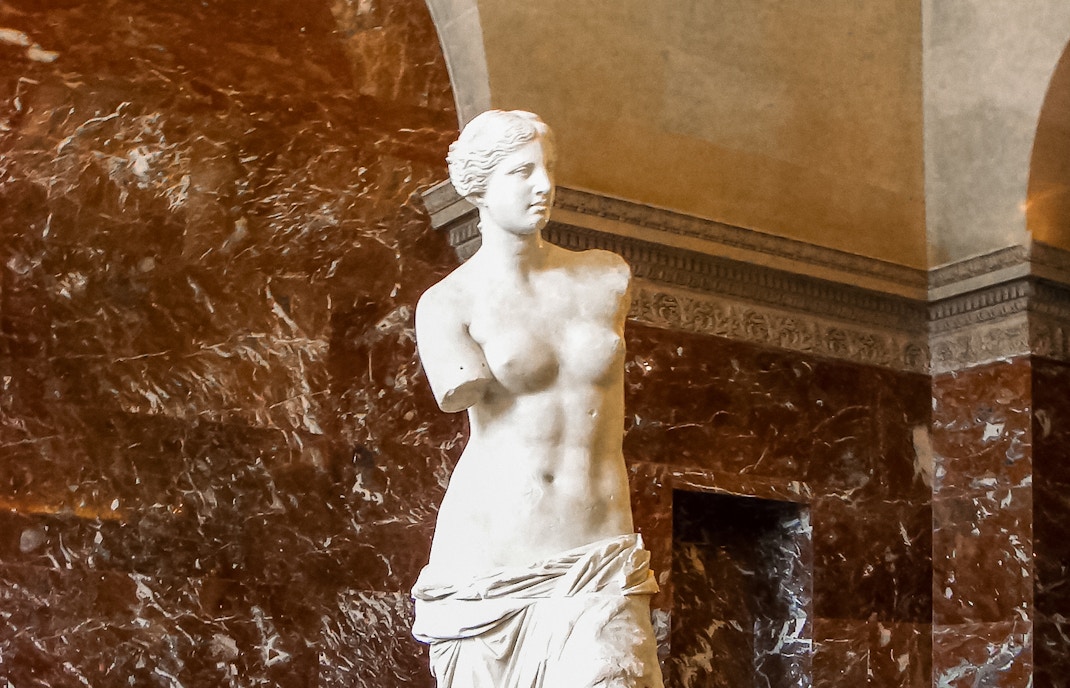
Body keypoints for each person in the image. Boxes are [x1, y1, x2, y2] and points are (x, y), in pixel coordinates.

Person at [411, 110, 663, 688]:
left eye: (547, 168)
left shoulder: (606, 278)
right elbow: (458, 390)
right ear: (478, 186)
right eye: (520, 171)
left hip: (599, 551)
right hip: (494, 553)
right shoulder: (449, 304)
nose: (544, 185)